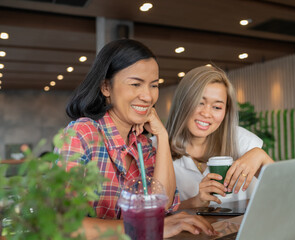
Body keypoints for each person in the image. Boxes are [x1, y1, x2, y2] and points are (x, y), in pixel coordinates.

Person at [56, 39, 216, 238]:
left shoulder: (143, 145)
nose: (148, 96)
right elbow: (63, 224)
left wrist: (162, 135)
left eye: (154, 85)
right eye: (135, 84)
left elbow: (163, 203)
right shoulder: (82, 134)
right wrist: (145, 228)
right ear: (106, 87)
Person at [163, 66, 274, 208]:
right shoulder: (155, 147)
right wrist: (196, 201)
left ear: (226, 112)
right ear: (183, 102)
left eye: (217, 107)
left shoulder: (241, 140)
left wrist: (261, 156)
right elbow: (155, 215)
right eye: (199, 102)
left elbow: (287, 190)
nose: (206, 113)